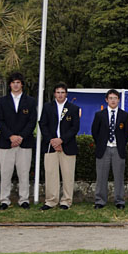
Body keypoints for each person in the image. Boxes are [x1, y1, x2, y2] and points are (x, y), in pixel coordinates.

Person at [0, 72, 37, 210]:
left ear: (22, 85)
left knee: (24, 172)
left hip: (24, 143)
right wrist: (11, 136)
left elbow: (32, 122)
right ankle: (4, 200)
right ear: (10, 85)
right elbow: (0, 121)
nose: (15, 85)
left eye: (18, 82)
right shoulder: (2, 101)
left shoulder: (30, 101)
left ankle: (24, 199)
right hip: (6, 143)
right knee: (5, 172)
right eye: (13, 82)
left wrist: (20, 137)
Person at [39, 82, 81, 210]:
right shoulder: (47, 107)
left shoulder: (73, 108)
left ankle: (66, 201)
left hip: (67, 146)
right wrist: (53, 141)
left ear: (66, 94)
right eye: (58, 92)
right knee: (51, 174)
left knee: (68, 175)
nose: (60, 95)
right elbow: (43, 124)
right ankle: (51, 201)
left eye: (62, 92)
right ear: (54, 94)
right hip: (50, 146)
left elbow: (75, 128)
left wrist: (62, 140)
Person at [91, 89, 128, 209]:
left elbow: (126, 132)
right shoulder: (99, 115)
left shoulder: (124, 115)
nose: (113, 100)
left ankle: (119, 201)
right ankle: (100, 200)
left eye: (115, 98)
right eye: (111, 98)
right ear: (106, 100)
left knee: (119, 176)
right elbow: (94, 132)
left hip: (118, 150)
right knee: (101, 176)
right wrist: (101, 144)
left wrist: (120, 144)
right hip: (104, 149)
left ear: (118, 100)